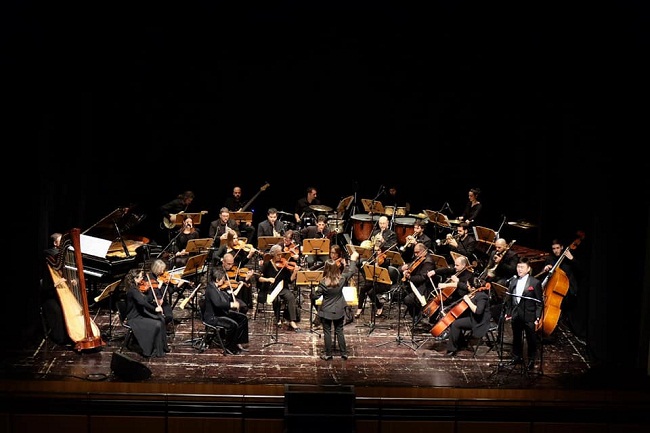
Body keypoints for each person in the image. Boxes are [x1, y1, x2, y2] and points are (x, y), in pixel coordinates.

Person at [314, 250, 360, 361]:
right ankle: (344, 353)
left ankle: (328, 354)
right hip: (339, 310)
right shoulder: (342, 279)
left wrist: (314, 291)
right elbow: (351, 271)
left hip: (326, 311)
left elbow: (315, 296)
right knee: (339, 331)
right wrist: (353, 260)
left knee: (327, 332)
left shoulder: (323, 282)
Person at [506, 257, 543, 370]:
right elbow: (509, 299)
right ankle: (517, 357)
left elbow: (539, 302)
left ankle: (531, 359)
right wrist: (508, 313)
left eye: (522, 267)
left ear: (528, 269)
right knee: (516, 337)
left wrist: (537, 316)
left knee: (531, 339)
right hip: (516, 314)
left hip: (529, 315)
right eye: (518, 267)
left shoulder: (535, 283)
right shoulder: (513, 281)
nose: (519, 269)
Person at [203, 267, 250, 354]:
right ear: (217, 280)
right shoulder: (211, 289)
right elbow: (218, 303)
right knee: (233, 325)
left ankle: (238, 342)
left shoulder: (216, 287)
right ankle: (229, 347)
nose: (224, 281)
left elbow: (224, 299)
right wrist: (231, 305)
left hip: (220, 313)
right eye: (223, 279)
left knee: (243, 318)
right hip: (213, 317)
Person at [124, 268, 169, 357]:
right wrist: (155, 309)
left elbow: (145, 299)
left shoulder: (136, 287)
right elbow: (142, 302)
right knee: (157, 324)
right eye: (141, 277)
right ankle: (152, 350)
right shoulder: (133, 290)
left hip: (140, 313)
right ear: (135, 279)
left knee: (161, 319)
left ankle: (162, 348)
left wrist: (152, 297)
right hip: (134, 317)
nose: (142, 279)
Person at [257, 244, 301, 331]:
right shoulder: (267, 264)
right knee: (276, 299)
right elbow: (258, 278)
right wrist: (268, 279)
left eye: (281, 254)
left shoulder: (284, 266)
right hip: (270, 289)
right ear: (273, 254)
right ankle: (277, 319)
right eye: (278, 255)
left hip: (282, 288)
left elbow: (290, 280)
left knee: (291, 297)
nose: (280, 257)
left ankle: (292, 320)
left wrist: (295, 272)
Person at [445, 277, 492, 357]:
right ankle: (461, 343)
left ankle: (452, 349)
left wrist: (468, 301)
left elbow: (478, 311)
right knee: (454, 320)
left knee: (456, 324)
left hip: (479, 322)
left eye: (468, 286)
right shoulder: (475, 292)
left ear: (473, 287)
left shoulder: (482, 296)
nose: (467, 287)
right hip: (474, 318)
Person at [41, 232, 71, 346]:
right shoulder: (49, 261)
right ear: (55, 243)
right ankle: (61, 338)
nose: (62, 244)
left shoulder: (61, 259)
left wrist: (72, 281)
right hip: (49, 296)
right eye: (60, 241)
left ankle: (71, 333)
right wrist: (56, 283)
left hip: (61, 293)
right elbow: (44, 288)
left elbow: (66, 276)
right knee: (58, 311)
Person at [399, 242, 436, 323]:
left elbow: (422, 278)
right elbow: (412, 266)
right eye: (414, 252)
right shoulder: (419, 258)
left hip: (424, 287)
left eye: (417, 252)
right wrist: (404, 268)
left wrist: (410, 277)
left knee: (408, 299)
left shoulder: (428, 262)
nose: (415, 255)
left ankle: (416, 315)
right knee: (399, 293)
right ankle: (414, 313)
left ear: (424, 251)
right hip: (416, 284)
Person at [145, 259, 175, 325]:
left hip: (164, 303)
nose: (162, 272)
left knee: (169, 317)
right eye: (160, 270)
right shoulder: (149, 278)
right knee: (159, 319)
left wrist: (175, 285)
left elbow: (171, 291)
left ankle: (163, 327)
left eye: (163, 270)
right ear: (155, 269)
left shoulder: (164, 277)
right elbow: (150, 296)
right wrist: (159, 286)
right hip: (153, 304)